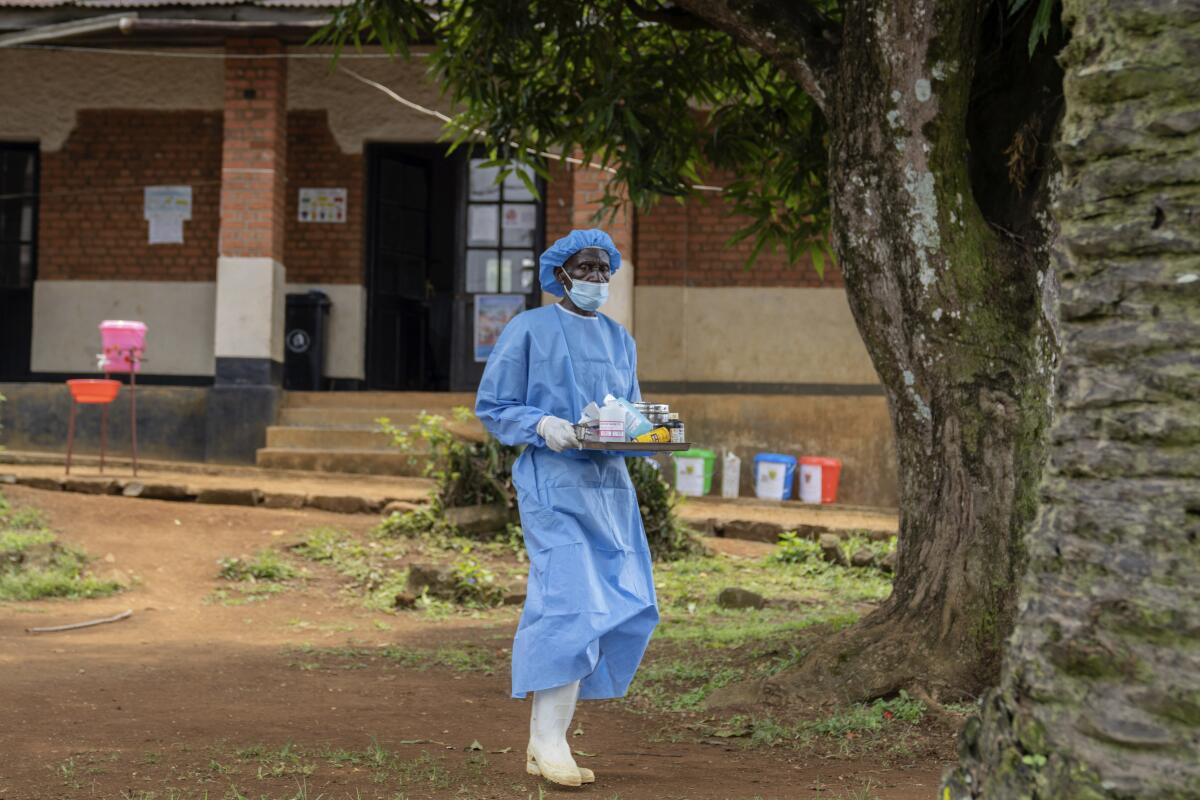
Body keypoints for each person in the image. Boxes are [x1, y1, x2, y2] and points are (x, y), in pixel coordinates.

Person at [475, 228, 659, 788]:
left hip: (609, 487)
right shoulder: (528, 329)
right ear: (561, 274)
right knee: (570, 602)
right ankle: (546, 741)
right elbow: (494, 404)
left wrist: (646, 434)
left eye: (605, 270)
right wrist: (542, 424)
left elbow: (625, 410)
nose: (597, 279)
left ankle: (550, 738)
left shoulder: (620, 339)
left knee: (617, 605)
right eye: (586, 268)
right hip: (552, 483)